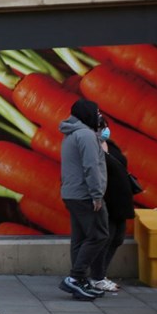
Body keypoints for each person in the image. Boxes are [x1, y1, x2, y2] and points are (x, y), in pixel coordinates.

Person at [58, 100, 108, 301]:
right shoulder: (86, 135)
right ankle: (75, 277)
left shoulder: (72, 134)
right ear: (87, 113)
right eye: (97, 112)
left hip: (72, 193)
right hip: (85, 194)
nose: (99, 116)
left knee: (79, 238)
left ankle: (79, 281)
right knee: (99, 235)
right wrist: (97, 194)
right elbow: (91, 166)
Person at [93, 118, 135, 292]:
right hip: (106, 199)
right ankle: (97, 277)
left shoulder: (111, 145)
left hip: (120, 200)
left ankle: (101, 274)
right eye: (101, 127)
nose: (105, 130)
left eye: (105, 126)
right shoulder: (92, 148)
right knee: (106, 237)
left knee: (118, 238)